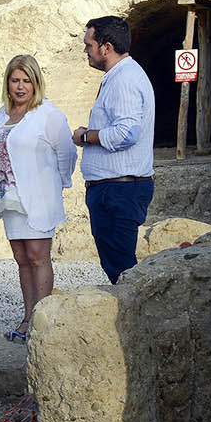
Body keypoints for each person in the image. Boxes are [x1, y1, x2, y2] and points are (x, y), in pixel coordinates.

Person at [0, 54, 76, 340]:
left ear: (36, 83)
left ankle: (41, 321)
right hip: (9, 197)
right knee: (21, 258)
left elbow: (67, 153)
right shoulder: (2, 114)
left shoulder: (47, 114)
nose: (21, 87)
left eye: (27, 81)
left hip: (38, 196)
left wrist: (57, 184)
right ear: (7, 83)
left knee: (38, 257)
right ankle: (27, 317)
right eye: (15, 80)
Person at [72, 15, 155, 282]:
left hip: (119, 190)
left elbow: (127, 133)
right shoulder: (119, 76)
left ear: (106, 47)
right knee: (117, 267)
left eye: (89, 45)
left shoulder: (124, 80)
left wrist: (87, 137)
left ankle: (138, 322)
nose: (86, 51)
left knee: (122, 272)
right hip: (115, 189)